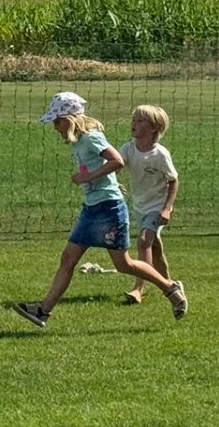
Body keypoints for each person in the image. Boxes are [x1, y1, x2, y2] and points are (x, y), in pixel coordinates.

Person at [11, 92, 187, 327]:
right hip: (92, 208)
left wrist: (89, 177)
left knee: (123, 264)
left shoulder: (91, 138)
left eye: (58, 121)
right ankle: (43, 311)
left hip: (108, 209)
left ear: (70, 119)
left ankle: (170, 288)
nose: (55, 127)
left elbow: (117, 160)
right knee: (68, 259)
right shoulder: (80, 140)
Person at [118, 104, 179, 306]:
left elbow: (173, 181)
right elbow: (114, 166)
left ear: (153, 128)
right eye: (133, 119)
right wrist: (113, 182)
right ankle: (169, 284)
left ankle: (139, 289)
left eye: (139, 120)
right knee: (155, 247)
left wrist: (167, 208)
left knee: (144, 241)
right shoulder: (128, 149)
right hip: (139, 206)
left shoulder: (160, 154)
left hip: (157, 207)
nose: (133, 123)